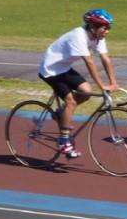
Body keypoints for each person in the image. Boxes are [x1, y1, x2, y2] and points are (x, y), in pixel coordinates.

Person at [38, 9, 118, 158]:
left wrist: (114, 83)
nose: (107, 31)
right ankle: (63, 141)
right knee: (71, 101)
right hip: (50, 69)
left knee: (86, 92)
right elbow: (89, 62)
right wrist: (102, 86)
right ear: (93, 26)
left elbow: (105, 58)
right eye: (105, 28)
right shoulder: (78, 36)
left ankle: (61, 114)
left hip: (64, 68)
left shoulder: (98, 37)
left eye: (109, 28)